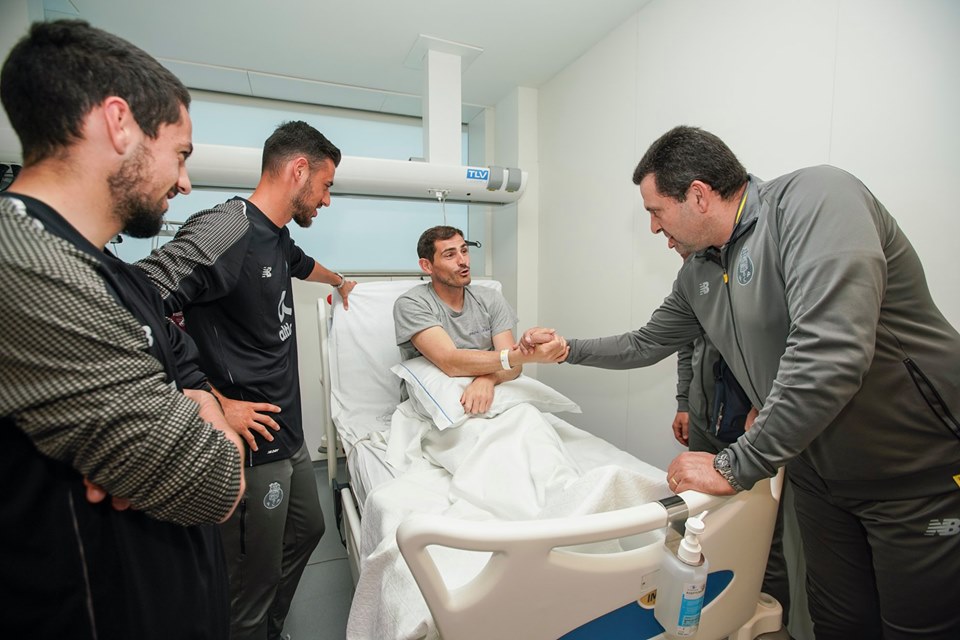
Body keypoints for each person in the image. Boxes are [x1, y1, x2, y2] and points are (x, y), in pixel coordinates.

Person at [522, 125, 960, 639]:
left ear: (698, 195)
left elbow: (831, 352)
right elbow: (645, 343)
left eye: (656, 211)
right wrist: (566, 349)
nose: (653, 228)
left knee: (918, 628)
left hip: (912, 470)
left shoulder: (815, 200)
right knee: (839, 623)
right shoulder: (699, 272)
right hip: (817, 472)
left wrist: (734, 464)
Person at [0, 19, 245, 639]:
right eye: (180, 154)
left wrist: (189, 404)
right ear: (119, 123)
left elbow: (190, 375)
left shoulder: (117, 276)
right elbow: (215, 482)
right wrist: (199, 417)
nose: (185, 182)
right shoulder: (27, 266)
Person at [136, 120, 354, 640]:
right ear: (298, 170)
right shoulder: (227, 228)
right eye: (325, 186)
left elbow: (301, 264)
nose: (326, 200)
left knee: (308, 531)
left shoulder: (276, 235)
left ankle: (269, 628)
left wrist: (341, 281)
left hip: (287, 432)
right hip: (251, 442)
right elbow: (140, 297)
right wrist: (212, 400)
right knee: (249, 582)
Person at [671, 250, 791, 625]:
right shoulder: (694, 272)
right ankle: (707, 613)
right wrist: (684, 402)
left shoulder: (762, 262)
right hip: (704, 416)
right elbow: (685, 343)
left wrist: (766, 407)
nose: (663, 236)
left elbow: (788, 345)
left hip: (751, 428)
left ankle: (761, 618)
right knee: (698, 522)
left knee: (761, 533)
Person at [394, 225, 568, 412]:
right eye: (450, 255)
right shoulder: (412, 304)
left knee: (530, 420)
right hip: (438, 400)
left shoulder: (490, 298)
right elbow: (450, 362)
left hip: (492, 392)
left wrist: (489, 378)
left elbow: (514, 366)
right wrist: (527, 355)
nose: (463, 261)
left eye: (464, 251)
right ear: (427, 266)